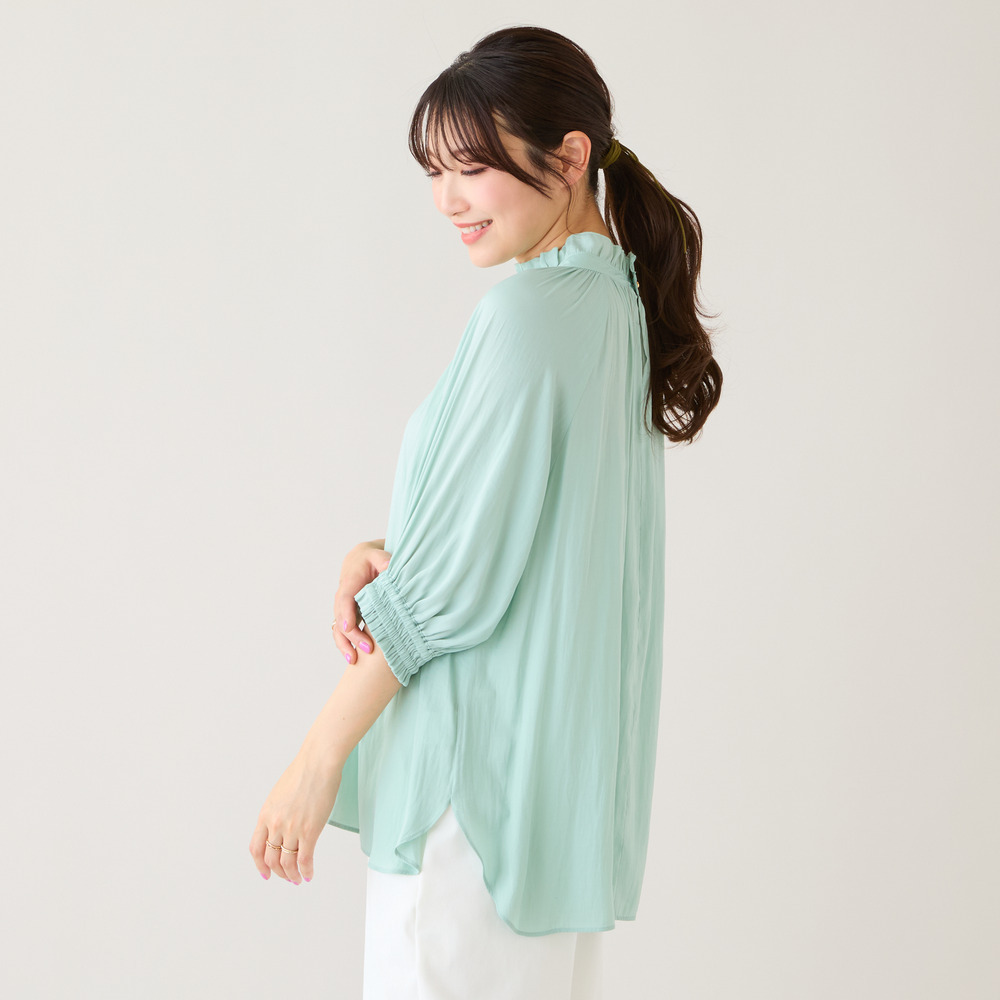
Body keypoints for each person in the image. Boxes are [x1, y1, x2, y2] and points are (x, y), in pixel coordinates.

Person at [249, 24, 722, 1000]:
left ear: (570, 156)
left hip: (470, 806)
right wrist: (391, 545)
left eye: (471, 168)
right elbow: (532, 534)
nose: (448, 200)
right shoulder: (611, 308)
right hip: (545, 812)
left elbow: (447, 595)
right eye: (435, 172)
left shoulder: (530, 316)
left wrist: (316, 758)